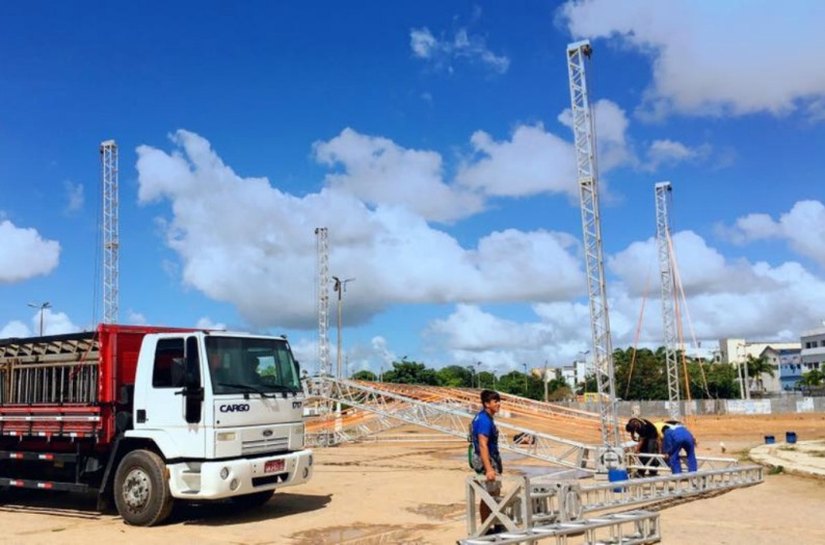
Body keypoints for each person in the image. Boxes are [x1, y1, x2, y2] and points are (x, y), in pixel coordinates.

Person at [470, 390, 503, 533]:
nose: (498, 404)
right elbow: (483, 444)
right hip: (486, 460)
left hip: (488, 459)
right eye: (495, 401)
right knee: (489, 495)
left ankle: (492, 525)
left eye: (498, 401)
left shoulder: (483, 418)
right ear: (486, 404)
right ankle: (487, 528)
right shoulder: (484, 420)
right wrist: (489, 468)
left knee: (492, 494)